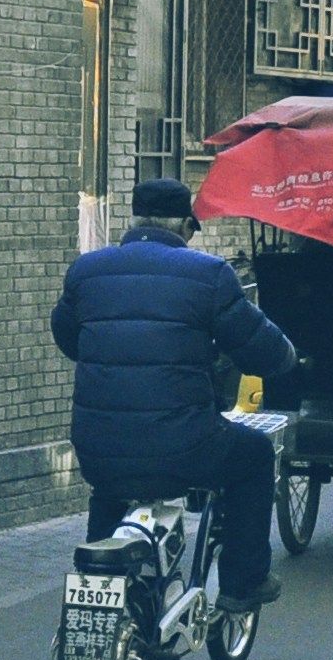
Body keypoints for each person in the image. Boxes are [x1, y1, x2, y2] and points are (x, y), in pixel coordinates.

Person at [51, 177, 301, 611]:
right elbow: (259, 346)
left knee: (111, 489)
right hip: (184, 446)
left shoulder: (87, 271)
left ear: (136, 218)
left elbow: (69, 339)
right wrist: (287, 361)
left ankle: (98, 587)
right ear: (186, 224)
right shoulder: (208, 275)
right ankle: (244, 583)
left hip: (97, 446)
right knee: (254, 455)